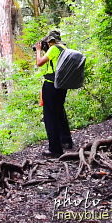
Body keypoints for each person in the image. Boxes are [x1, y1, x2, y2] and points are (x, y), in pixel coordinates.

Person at [34, 30, 74, 158]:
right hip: (62, 85)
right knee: (59, 112)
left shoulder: (53, 49)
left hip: (51, 84)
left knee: (50, 116)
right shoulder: (64, 48)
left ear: (50, 41)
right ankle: (66, 140)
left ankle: (55, 149)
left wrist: (39, 50)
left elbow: (39, 63)